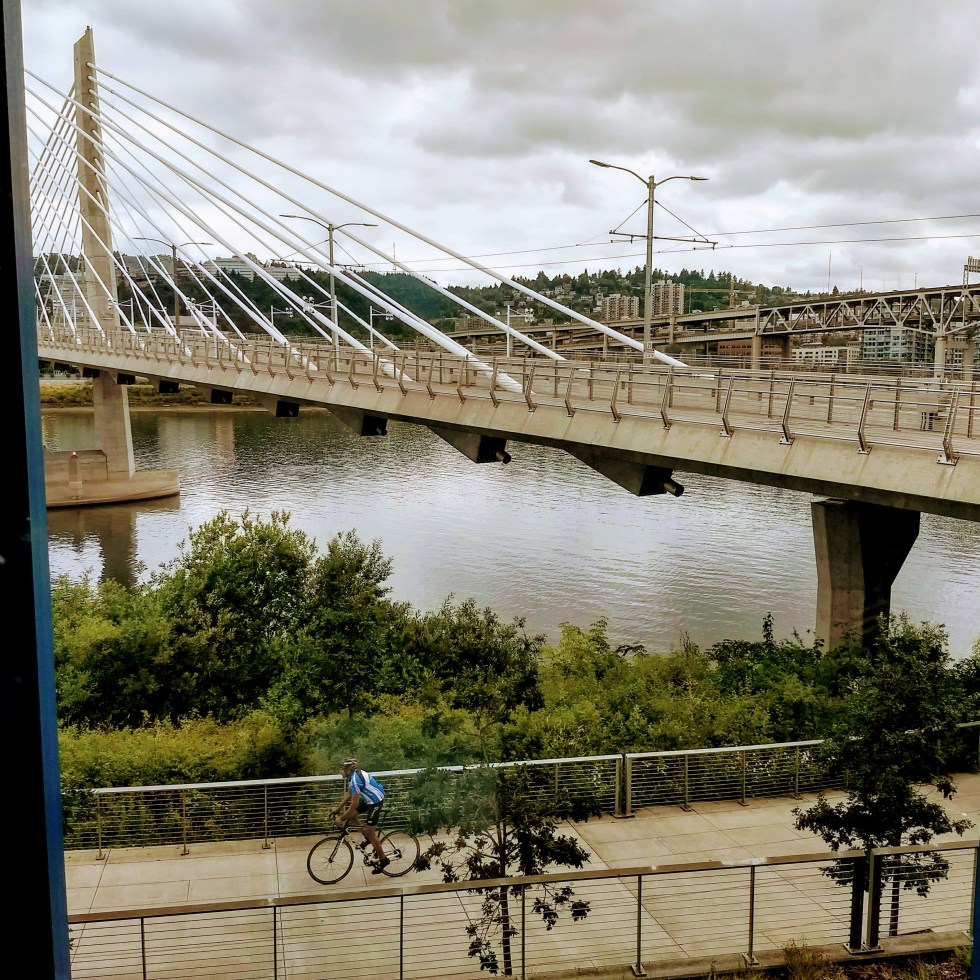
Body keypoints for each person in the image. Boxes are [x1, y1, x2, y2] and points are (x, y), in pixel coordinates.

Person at [331, 757, 389, 873]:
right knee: (351, 816)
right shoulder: (352, 777)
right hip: (368, 799)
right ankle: (367, 837)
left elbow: (354, 803)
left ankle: (383, 860)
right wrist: (338, 808)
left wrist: (342, 818)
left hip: (375, 801)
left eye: (341, 769)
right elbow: (349, 793)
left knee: (372, 834)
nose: (340, 772)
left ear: (347, 769)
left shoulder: (355, 779)